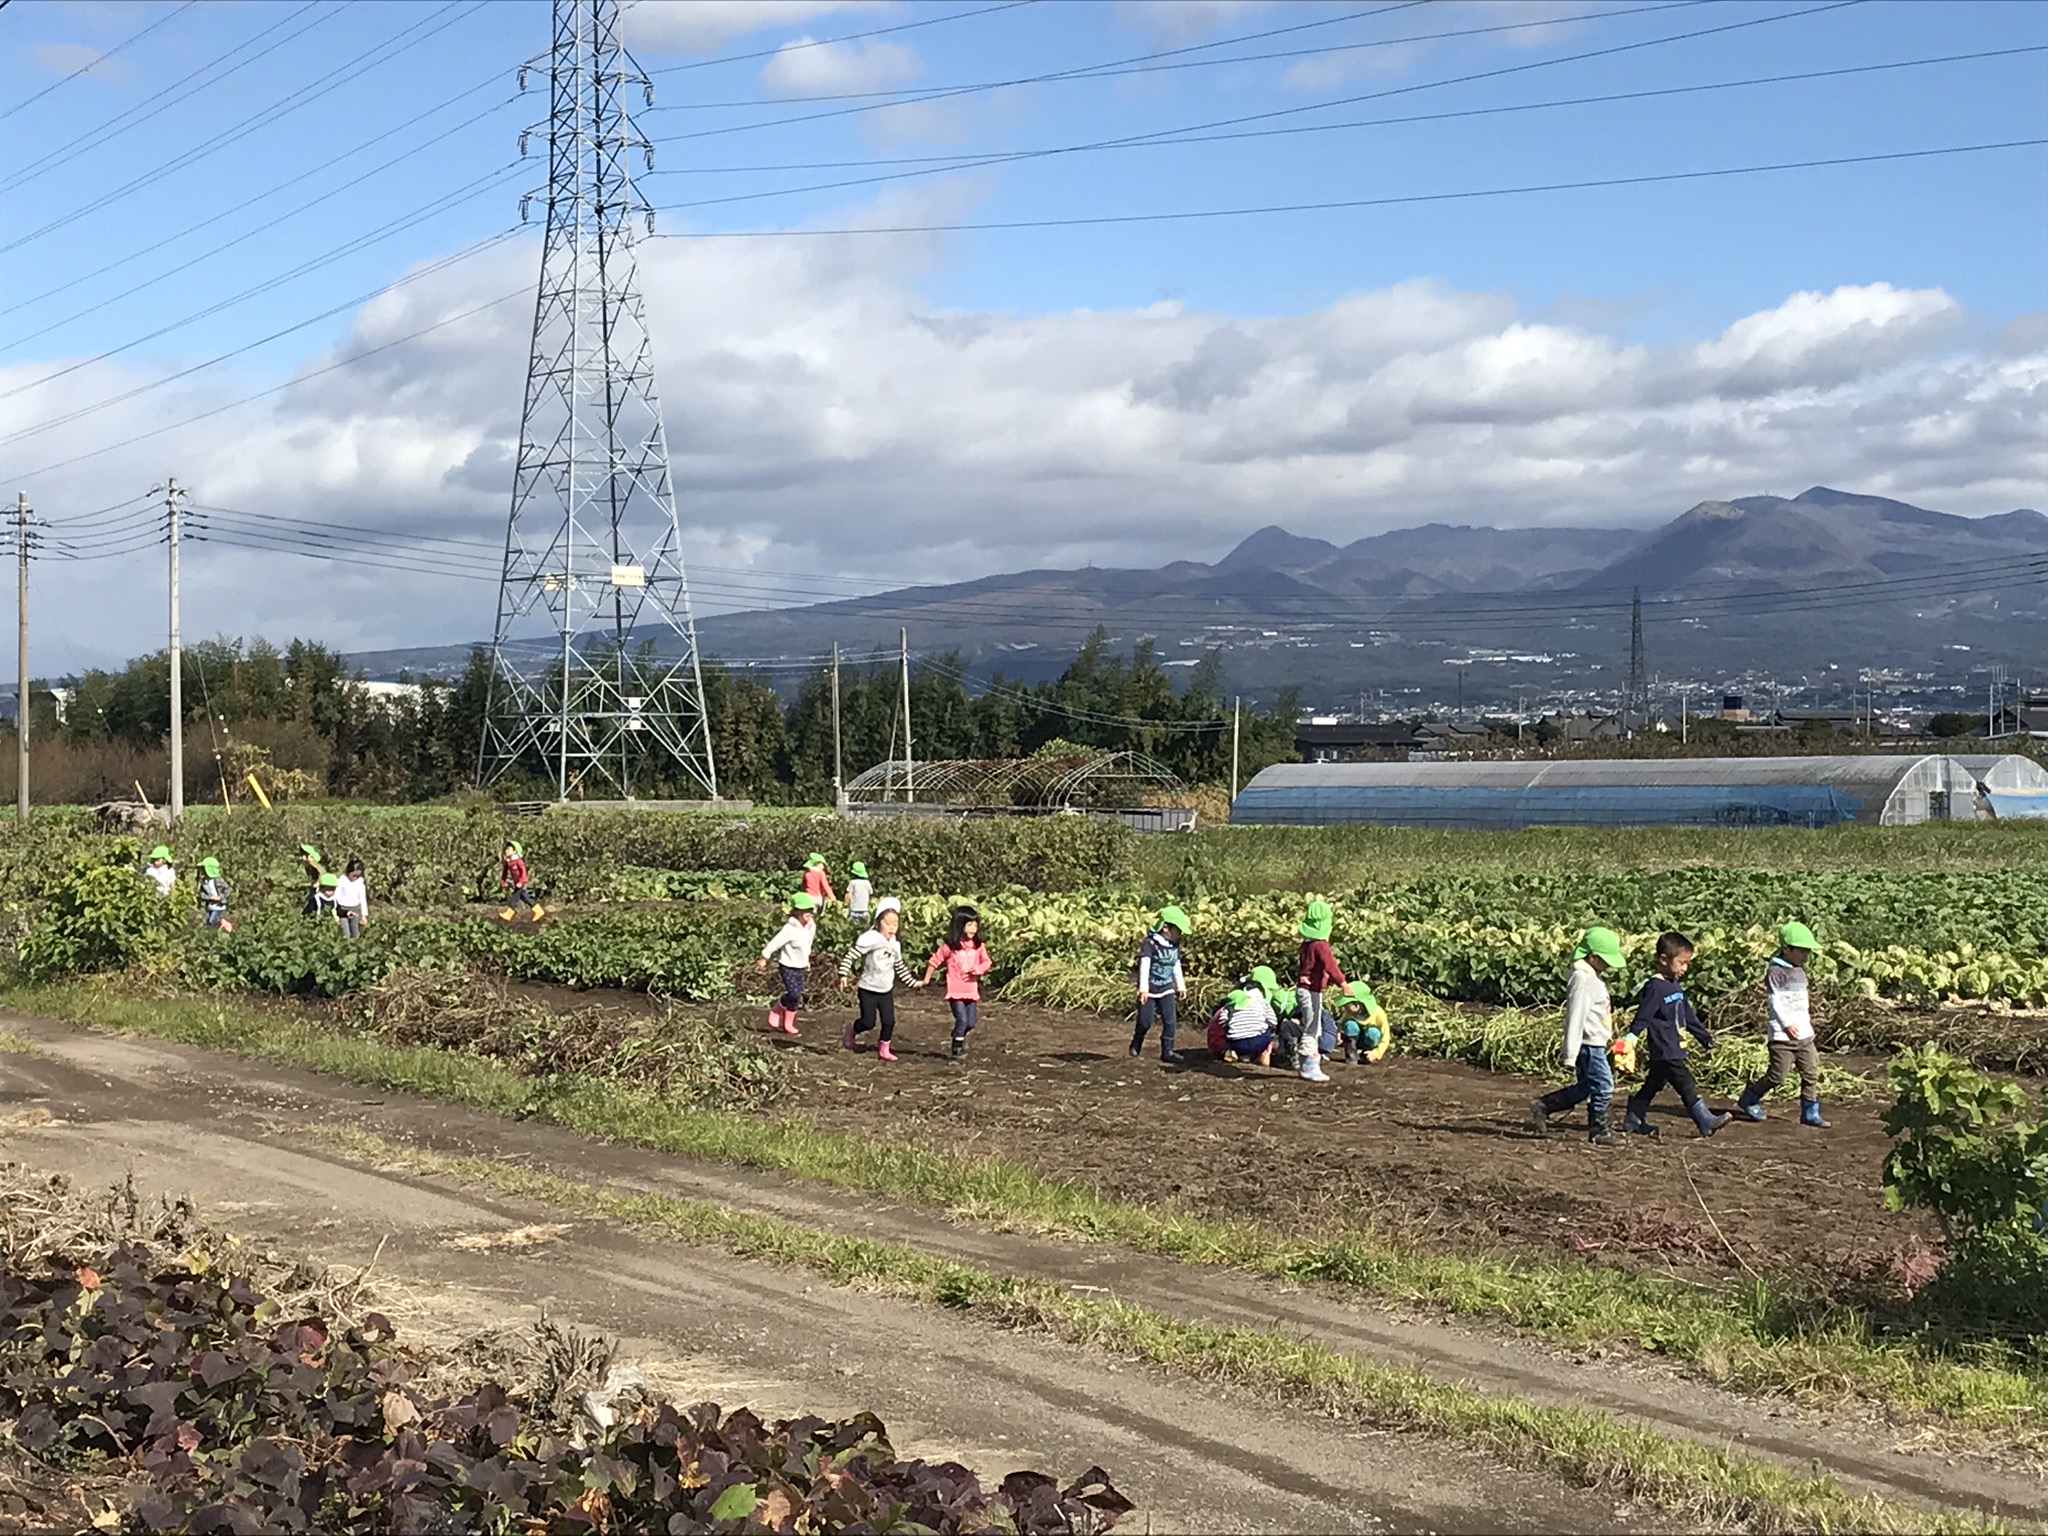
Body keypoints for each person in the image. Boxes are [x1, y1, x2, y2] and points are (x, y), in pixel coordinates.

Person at [1619, 932, 1731, 1138]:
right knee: (1684, 1082)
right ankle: (1704, 1119)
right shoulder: (1654, 987)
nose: (1685, 969)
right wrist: (1631, 1038)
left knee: (1654, 1083)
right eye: (1682, 963)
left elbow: (1688, 1016)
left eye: (1687, 963)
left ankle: (1634, 1118)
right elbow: (1643, 1015)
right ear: (1664, 959)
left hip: (1675, 1046)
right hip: (1664, 1047)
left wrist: (1704, 1037)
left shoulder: (1674, 985)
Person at [1530, 926, 1624, 1145]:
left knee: (1587, 1087)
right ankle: (1599, 1129)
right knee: (1604, 1085)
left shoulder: (1590, 976)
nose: (1609, 965)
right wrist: (1570, 1055)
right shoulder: (1584, 979)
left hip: (1594, 1042)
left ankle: (1544, 1105)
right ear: (1592, 956)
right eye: (1605, 960)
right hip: (1589, 1044)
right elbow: (1576, 1016)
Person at [1736, 921, 1828, 1128]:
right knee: (1777, 1075)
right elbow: (1775, 1001)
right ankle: (1750, 1097)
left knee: (1811, 1073)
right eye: (1802, 951)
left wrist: (1806, 1026)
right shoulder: (1776, 972)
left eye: (1808, 951)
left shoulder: (1800, 971)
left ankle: (1810, 1112)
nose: (1806, 955)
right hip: (1782, 1037)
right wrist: (1786, 1024)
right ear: (1787, 949)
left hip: (1804, 1035)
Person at [839, 896, 923, 1061]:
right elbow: (851, 956)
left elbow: (899, 967)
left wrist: (913, 983)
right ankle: (852, 1030)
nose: (892, 927)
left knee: (889, 1021)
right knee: (868, 1022)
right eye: (888, 923)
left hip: (885, 990)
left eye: (895, 923)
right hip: (868, 989)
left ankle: (884, 1048)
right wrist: (843, 974)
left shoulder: (895, 945)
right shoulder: (870, 939)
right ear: (878, 923)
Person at [923, 905, 993, 1061]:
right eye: (969, 924)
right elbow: (934, 961)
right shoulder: (950, 946)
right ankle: (957, 1047)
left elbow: (987, 962)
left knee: (971, 1023)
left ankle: (959, 1035)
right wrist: (927, 979)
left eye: (975, 924)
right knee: (961, 1020)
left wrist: (979, 969)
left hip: (971, 991)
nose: (973, 928)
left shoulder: (978, 946)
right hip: (955, 991)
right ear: (959, 925)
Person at [1129, 904, 1191, 1063]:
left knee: (1171, 1021)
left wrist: (1181, 985)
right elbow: (1145, 966)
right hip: (1149, 989)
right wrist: (1143, 989)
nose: (1180, 934)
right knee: (1145, 1021)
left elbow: (1175, 965)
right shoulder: (1150, 944)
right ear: (1165, 928)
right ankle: (1137, 1040)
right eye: (1178, 930)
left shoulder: (1174, 945)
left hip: (1167, 988)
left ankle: (1167, 1051)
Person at [1294, 900, 1345, 1082]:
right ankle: (1309, 1066)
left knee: (1312, 1025)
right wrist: (1343, 983)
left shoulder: (1306, 945)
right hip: (1311, 991)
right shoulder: (1320, 946)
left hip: (1304, 989)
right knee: (1312, 1028)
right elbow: (1330, 965)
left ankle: (1305, 1064)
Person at [756, 892, 819, 1036]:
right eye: (805, 911)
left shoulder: (811, 927)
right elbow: (774, 943)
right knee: (794, 993)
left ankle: (788, 1023)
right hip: (787, 965)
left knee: (797, 996)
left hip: (801, 965)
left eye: (810, 910)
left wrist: (807, 960)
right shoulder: (789, 929)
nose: (809, 914)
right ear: (797, 911)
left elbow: (807, 945)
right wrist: (764, 957)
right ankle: (777, 1009)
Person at [1221, 966, 1282, 1067]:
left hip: (1236, 1042)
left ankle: (1234, 1052)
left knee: (1230, 1033)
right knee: (1268, 1036)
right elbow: (1273, 1021)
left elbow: (1223, 1020)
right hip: (1257, 1042)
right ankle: (1264, 1055)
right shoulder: (1263, 1002)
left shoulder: (1232, 1003)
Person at [1336, 980, 1392, 1064]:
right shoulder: (1349, 1013)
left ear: (1357, 1004)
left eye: (1347, 1005)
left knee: (1373, 1033)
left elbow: (1385, 1036)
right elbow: (1340, 1024)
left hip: (1368, 1041)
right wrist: (1338, 1033)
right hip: (1354, 1040)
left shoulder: (1378, 1013)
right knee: (1350, 1025)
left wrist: (1376, 1053)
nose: (1345, 1008)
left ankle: (1366, 1054)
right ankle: (1351, 1055)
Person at [499, 841, 545, 921]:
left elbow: (523, 872)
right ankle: (538, 910)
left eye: (509, 849)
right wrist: (503, 881)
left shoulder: (518, 861)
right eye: (506, 849)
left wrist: (521, 882)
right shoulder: (508, 862)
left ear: (514, 851)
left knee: (514, 897)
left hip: (521, 882)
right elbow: (505, 872)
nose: (506, 851)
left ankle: (509, 914)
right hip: (516, 883)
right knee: (524, 897)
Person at [331, 857, 370, 939]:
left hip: (355, 909)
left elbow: (363, 900)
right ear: (348, 871)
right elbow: (336, 895)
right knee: (345, 932)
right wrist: (334, 910)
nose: (355, 878)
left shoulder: (360, 884)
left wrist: (364, 915)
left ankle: (355, 947)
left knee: (355, 931)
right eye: (353, 875)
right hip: (342, 909)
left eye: (358, 876)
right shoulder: (342, 881)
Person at [197, 856, 232, 930]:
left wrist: (220, 897)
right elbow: (201, 893)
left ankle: (225, 924)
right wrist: (209, 897)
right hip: (209, 905)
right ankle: (217, 932)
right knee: (207, 923)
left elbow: (228, 889)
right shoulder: (203, 881)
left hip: (219, 905)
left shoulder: (218, 880)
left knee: (212, 920)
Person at [298, 844, 327, 916]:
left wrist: (318, 883)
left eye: (304, 855)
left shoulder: (312, 862)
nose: (302, 857)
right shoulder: (307, 864)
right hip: (315, 887)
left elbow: (323, 872)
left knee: (312, 905)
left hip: (321, 887)